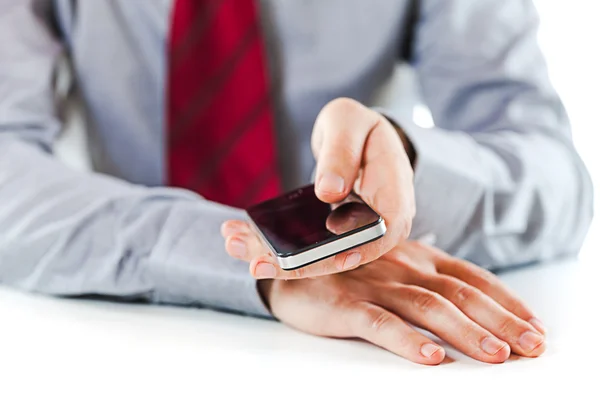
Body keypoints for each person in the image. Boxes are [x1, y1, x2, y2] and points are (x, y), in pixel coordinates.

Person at [0, 0, 592, 365]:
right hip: (111, 347)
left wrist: (405, 165)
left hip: (351, 358)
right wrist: (243, 261)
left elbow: (556, 176)